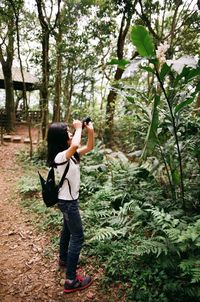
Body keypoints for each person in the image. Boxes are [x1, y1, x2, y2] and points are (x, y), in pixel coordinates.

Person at [47, 119, 94, 293]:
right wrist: (79, 128)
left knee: (67, 230)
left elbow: (89, 147)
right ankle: (71, 280)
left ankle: (64, 259)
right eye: (67, 131)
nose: (70, 133)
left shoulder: (70, 154)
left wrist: (90, 131)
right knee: (78, 237)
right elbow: (75, 144)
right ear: (61, 138)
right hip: (69, 203)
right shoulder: (61, 156)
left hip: (67, 201)